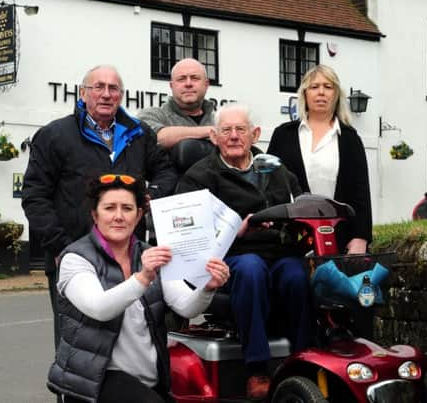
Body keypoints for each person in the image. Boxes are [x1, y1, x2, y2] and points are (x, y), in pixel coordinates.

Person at [21, 65, 178, 393]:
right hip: (75, 256)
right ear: (83, 93)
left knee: (136, 340)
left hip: (130, 255)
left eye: (113, 88)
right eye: (98, 87)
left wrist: (154, 195)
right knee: (79, 348)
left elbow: (165, 171)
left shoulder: (138, 133)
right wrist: (62, 248)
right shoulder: (54, 135)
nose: (106, 94)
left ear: (121, 95)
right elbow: (35, 197)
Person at [47, 174, 230, 403]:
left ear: (139, 215)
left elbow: (186, 307)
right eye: (109, 208)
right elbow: (99, 307)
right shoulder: (76, 258)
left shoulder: (152, 254)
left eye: (127, 208)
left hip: (149, 380)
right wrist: (143, 278)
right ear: (95, 215)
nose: (118, 216)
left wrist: (208, 287)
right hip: (95, 383)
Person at [176, 103, 312, 401]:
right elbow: (186, 233)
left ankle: (303, 362)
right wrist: (232, 231)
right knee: (251, 269)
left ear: (255, 134)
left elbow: (301, 205)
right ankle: (257, 369)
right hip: (230, 255)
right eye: (226, 130)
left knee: (297, 275)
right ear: (214, 136)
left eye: (241, 130)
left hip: (278, 251)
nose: (234, 136)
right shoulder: (199, 176)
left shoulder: (277, 170)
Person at [267, 64, 372, 254]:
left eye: (328, 87)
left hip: (339, 236)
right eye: (314, 87)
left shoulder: (349, 138)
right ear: (305, 94)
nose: (321, 92)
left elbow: (361, 193)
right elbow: (269, 185)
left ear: (336, 94)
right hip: (291, 237)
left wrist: (360, 237)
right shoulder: (283, 135)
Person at [138, 58, 215, 149]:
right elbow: (157, 137)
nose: (188, 84)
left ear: (206, 84)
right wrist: (214, 131)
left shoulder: (219, 119)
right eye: (181, 79)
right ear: (171, 86)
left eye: (195, 78)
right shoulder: (152, 115)